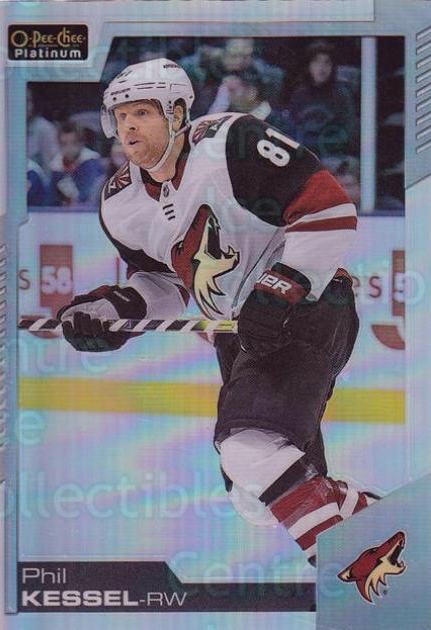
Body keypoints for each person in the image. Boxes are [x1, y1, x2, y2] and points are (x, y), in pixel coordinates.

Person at [57, 58, 377, 566]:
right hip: (237, 332)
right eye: (120, 116)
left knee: (251, 450)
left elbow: (329, 208)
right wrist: (112, 310)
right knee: (255, 494)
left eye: (142, 112)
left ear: (177, 112)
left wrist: (280, 287)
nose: (128, 126)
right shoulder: (120, 203)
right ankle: (390, 530)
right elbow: (165, 284)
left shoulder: (231, 142)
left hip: (309, 305)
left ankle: (357, 571)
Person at [288, 40, 358, 158]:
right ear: (308, 66)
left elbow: (349, 133)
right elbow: (292, 131)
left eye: (327, 63)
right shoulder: (299, 95)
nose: (322, 68)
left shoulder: (341, 94)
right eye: (316, 62)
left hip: (334, 155)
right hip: (305, 157)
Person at [48, 121, 106, 206]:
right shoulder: (56, 167)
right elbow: (51, 199)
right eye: (64, 144)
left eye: (74, 143)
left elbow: (88, 195)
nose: (69, 148)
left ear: (81, 143)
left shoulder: (91, 162)